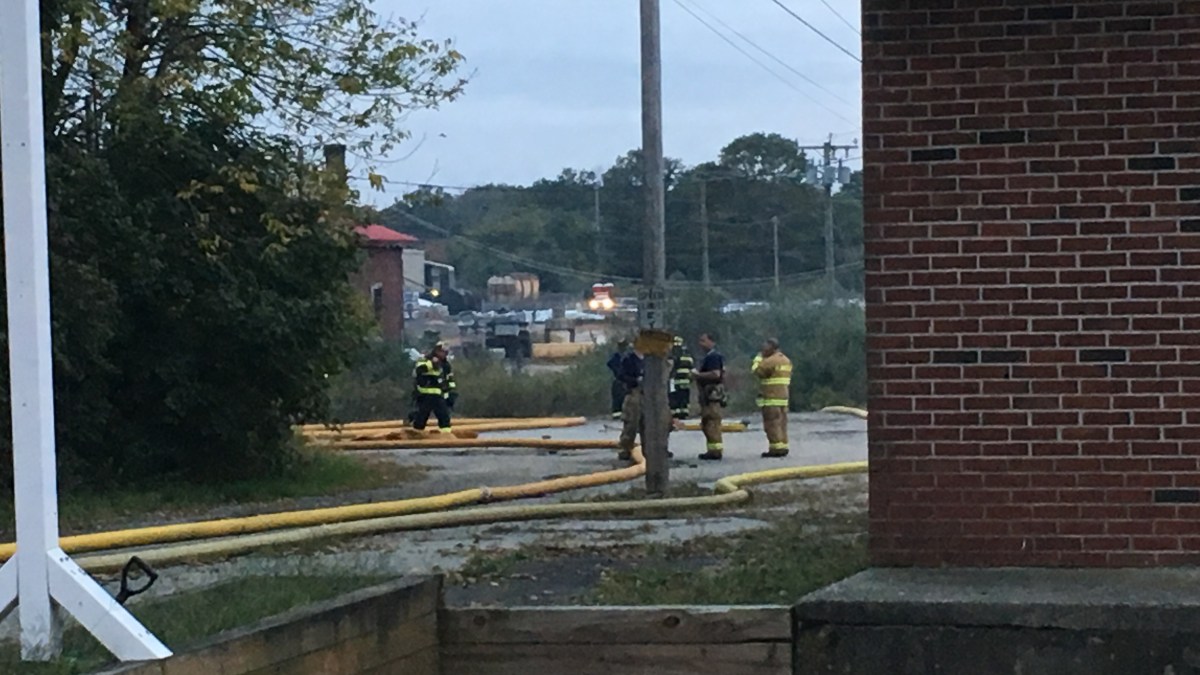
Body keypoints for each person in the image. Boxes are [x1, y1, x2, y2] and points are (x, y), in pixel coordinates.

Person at [753, 337, 793, 458]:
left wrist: (758, 359)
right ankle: (783, 446)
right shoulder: (786, 360)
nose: (763, 348)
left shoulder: (770, 361)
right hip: (783, 397)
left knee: (771, 423)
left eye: (765, 346)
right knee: (782, 423)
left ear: (771, 347)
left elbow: (757, 371)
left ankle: (775, 449)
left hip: (771, 397)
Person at [692, 332, 726, 460]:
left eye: (703, 341)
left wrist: (697, 375)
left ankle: (715, 451)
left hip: (711, 394)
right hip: (708, 394)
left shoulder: (713, 357)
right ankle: (712, 449)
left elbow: (715, 374)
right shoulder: (709, 357)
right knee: (707, 422)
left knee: (712, 422)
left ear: (712, 342)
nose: (701, 344)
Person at [411, 342, 453, 433]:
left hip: (438, 395)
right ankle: (415, 435)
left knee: (444, 416)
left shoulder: (446, 365)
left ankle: (446, 436)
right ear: (436, 351)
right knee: (421, 417)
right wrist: (431, 364)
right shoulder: (425, 359)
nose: (444, 354)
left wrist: (449, 394)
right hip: (425, 394)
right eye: (442, 351)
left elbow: (448, 380)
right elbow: (419, 370)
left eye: (446, 352)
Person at [616, 346, 644, 461]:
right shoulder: (629, 359)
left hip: (651, 393)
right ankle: (625, 448)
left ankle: (651, 449)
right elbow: (621, 375)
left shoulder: (650, 359)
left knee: (651, 423)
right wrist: (635, 380)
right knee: (631, 422)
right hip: (634, 392)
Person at [669, 336, 694, 420]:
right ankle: (684, 413)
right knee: (684, 397)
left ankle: (675, 414)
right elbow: (691, 367)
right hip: (686, 381)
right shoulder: (687, 354)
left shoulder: (674, 353)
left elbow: (671, 367)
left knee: (675, 397)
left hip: (675, 380)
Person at [606, 339, 631, 420]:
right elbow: (610, 364)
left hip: (627, 382)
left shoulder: (628, 356)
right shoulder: (616, 357)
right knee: (618, 401)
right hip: (619, 382)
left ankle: (627, 416)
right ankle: (617, 417)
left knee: (627, 401)